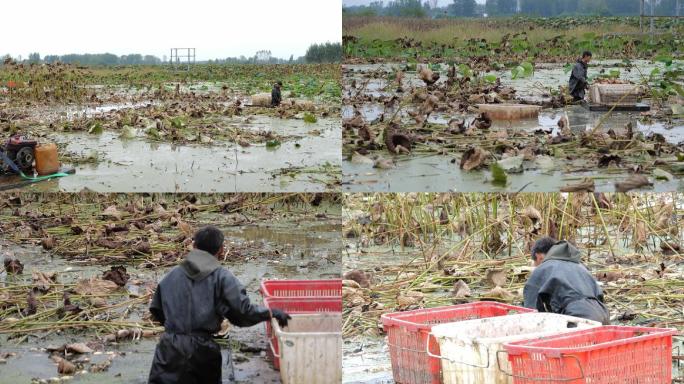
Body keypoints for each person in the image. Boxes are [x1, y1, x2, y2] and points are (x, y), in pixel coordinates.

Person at [148, 226, 291, 384]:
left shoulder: (171, 275)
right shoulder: (222, 277)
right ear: (221, 250)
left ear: (194, 247)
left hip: (169, 349)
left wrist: (177, 331)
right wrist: (270, 313)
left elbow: (157, 309)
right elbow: (241, 312)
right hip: (202, 352)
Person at [523, 237, 610, 325]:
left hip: (577, 319)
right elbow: (599, 295)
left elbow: (530, 311)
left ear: (539, 257)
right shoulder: (580, 267)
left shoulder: (543, 268)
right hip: (603, 316)